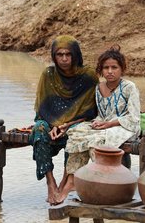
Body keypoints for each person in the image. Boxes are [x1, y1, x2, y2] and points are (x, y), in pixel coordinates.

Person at [57, 44, 141, 203]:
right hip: (104, 125)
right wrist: (98, 123)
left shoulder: (130, 87)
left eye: (114, 67)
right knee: (77, 132)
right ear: (100, 70)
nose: (110, 71)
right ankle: (73, 180)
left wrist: (109, 124)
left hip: (125, 126)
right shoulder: (98, 87)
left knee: (98, 140)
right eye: (106, 68)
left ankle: (102, 180)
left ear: (121, 69)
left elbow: (134, 117)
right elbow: (101, 115)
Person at [30, 35, 99, 205]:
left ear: (76, 55)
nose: (64, 59)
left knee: (77, 133)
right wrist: (54, 125)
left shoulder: (88, 76)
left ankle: (65, 181)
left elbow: (91, 112)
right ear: (54, 56)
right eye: (59, 55)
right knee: (38, 129)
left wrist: (67, 125)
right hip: (52, 123)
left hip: (78, 123)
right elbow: (42, 110)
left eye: (68, 54)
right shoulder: (48, 74)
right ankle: (50, 182)